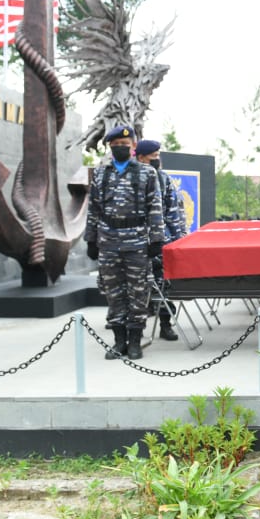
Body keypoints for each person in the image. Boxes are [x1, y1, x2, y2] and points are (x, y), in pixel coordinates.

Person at [84, 125, 164, 360]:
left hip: (136, 241)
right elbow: (94, 209)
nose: (121, 148)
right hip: (108, 241)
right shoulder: (101, 174)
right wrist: (91, 240)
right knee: (113, 293)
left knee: (138, 293)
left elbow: (155, 208)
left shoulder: (146, 173)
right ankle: (119, 342)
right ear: (110, 147)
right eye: (116, 145)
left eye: (125, 146)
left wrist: (156, 239)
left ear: (133, 148)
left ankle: (135, 342)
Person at [135, 139, 187, 341]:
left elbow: (174, 214)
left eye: (158, 156)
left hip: (160, 241)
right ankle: (132, 329)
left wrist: (177, 241)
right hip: (135, 241)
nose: (158, 160)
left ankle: (165, 324)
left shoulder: (164, 180)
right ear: (141, 158)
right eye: (153, 157)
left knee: (163, 283)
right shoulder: (131, 178)